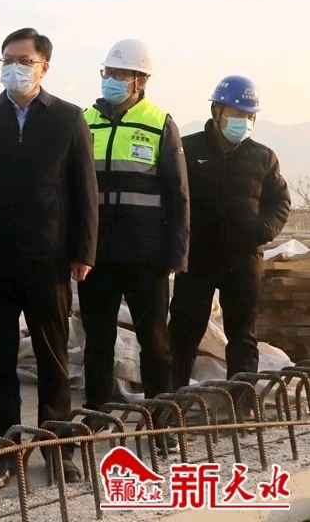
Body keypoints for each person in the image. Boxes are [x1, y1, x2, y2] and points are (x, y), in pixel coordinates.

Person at [0, 28, 98, 488]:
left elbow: (84, 191)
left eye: (23, 61)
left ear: (44, 67)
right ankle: (3, 450)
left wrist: (83, 251)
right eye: (7, 60)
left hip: (49, 258)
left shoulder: (68, 118)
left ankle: (58, 447)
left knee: (52, 357)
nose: (13, 68)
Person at [79, 40, 189, 438]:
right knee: (97, 341)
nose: (111, 79)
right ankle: (96, 412)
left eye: (119, 74)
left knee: (154, 341)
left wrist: (177, 252)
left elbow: (178, 194)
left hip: (146, 255)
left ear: (140, 80)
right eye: (107, 72)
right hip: (96, 254)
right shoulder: (85, 121)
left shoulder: (159, 123)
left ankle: (161, 419)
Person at [169, 76, 290, 389]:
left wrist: (261, 231)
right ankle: (172, 402)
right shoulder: (188, 149)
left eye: (249, 116)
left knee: (242, 337)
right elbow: (172, 196)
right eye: (237, 114)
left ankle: (241, 402)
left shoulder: (263, 157)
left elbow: (280, 202)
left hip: (243, 260)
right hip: (197, 258)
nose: (243, 122)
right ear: (217, 111)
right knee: (183, 331)